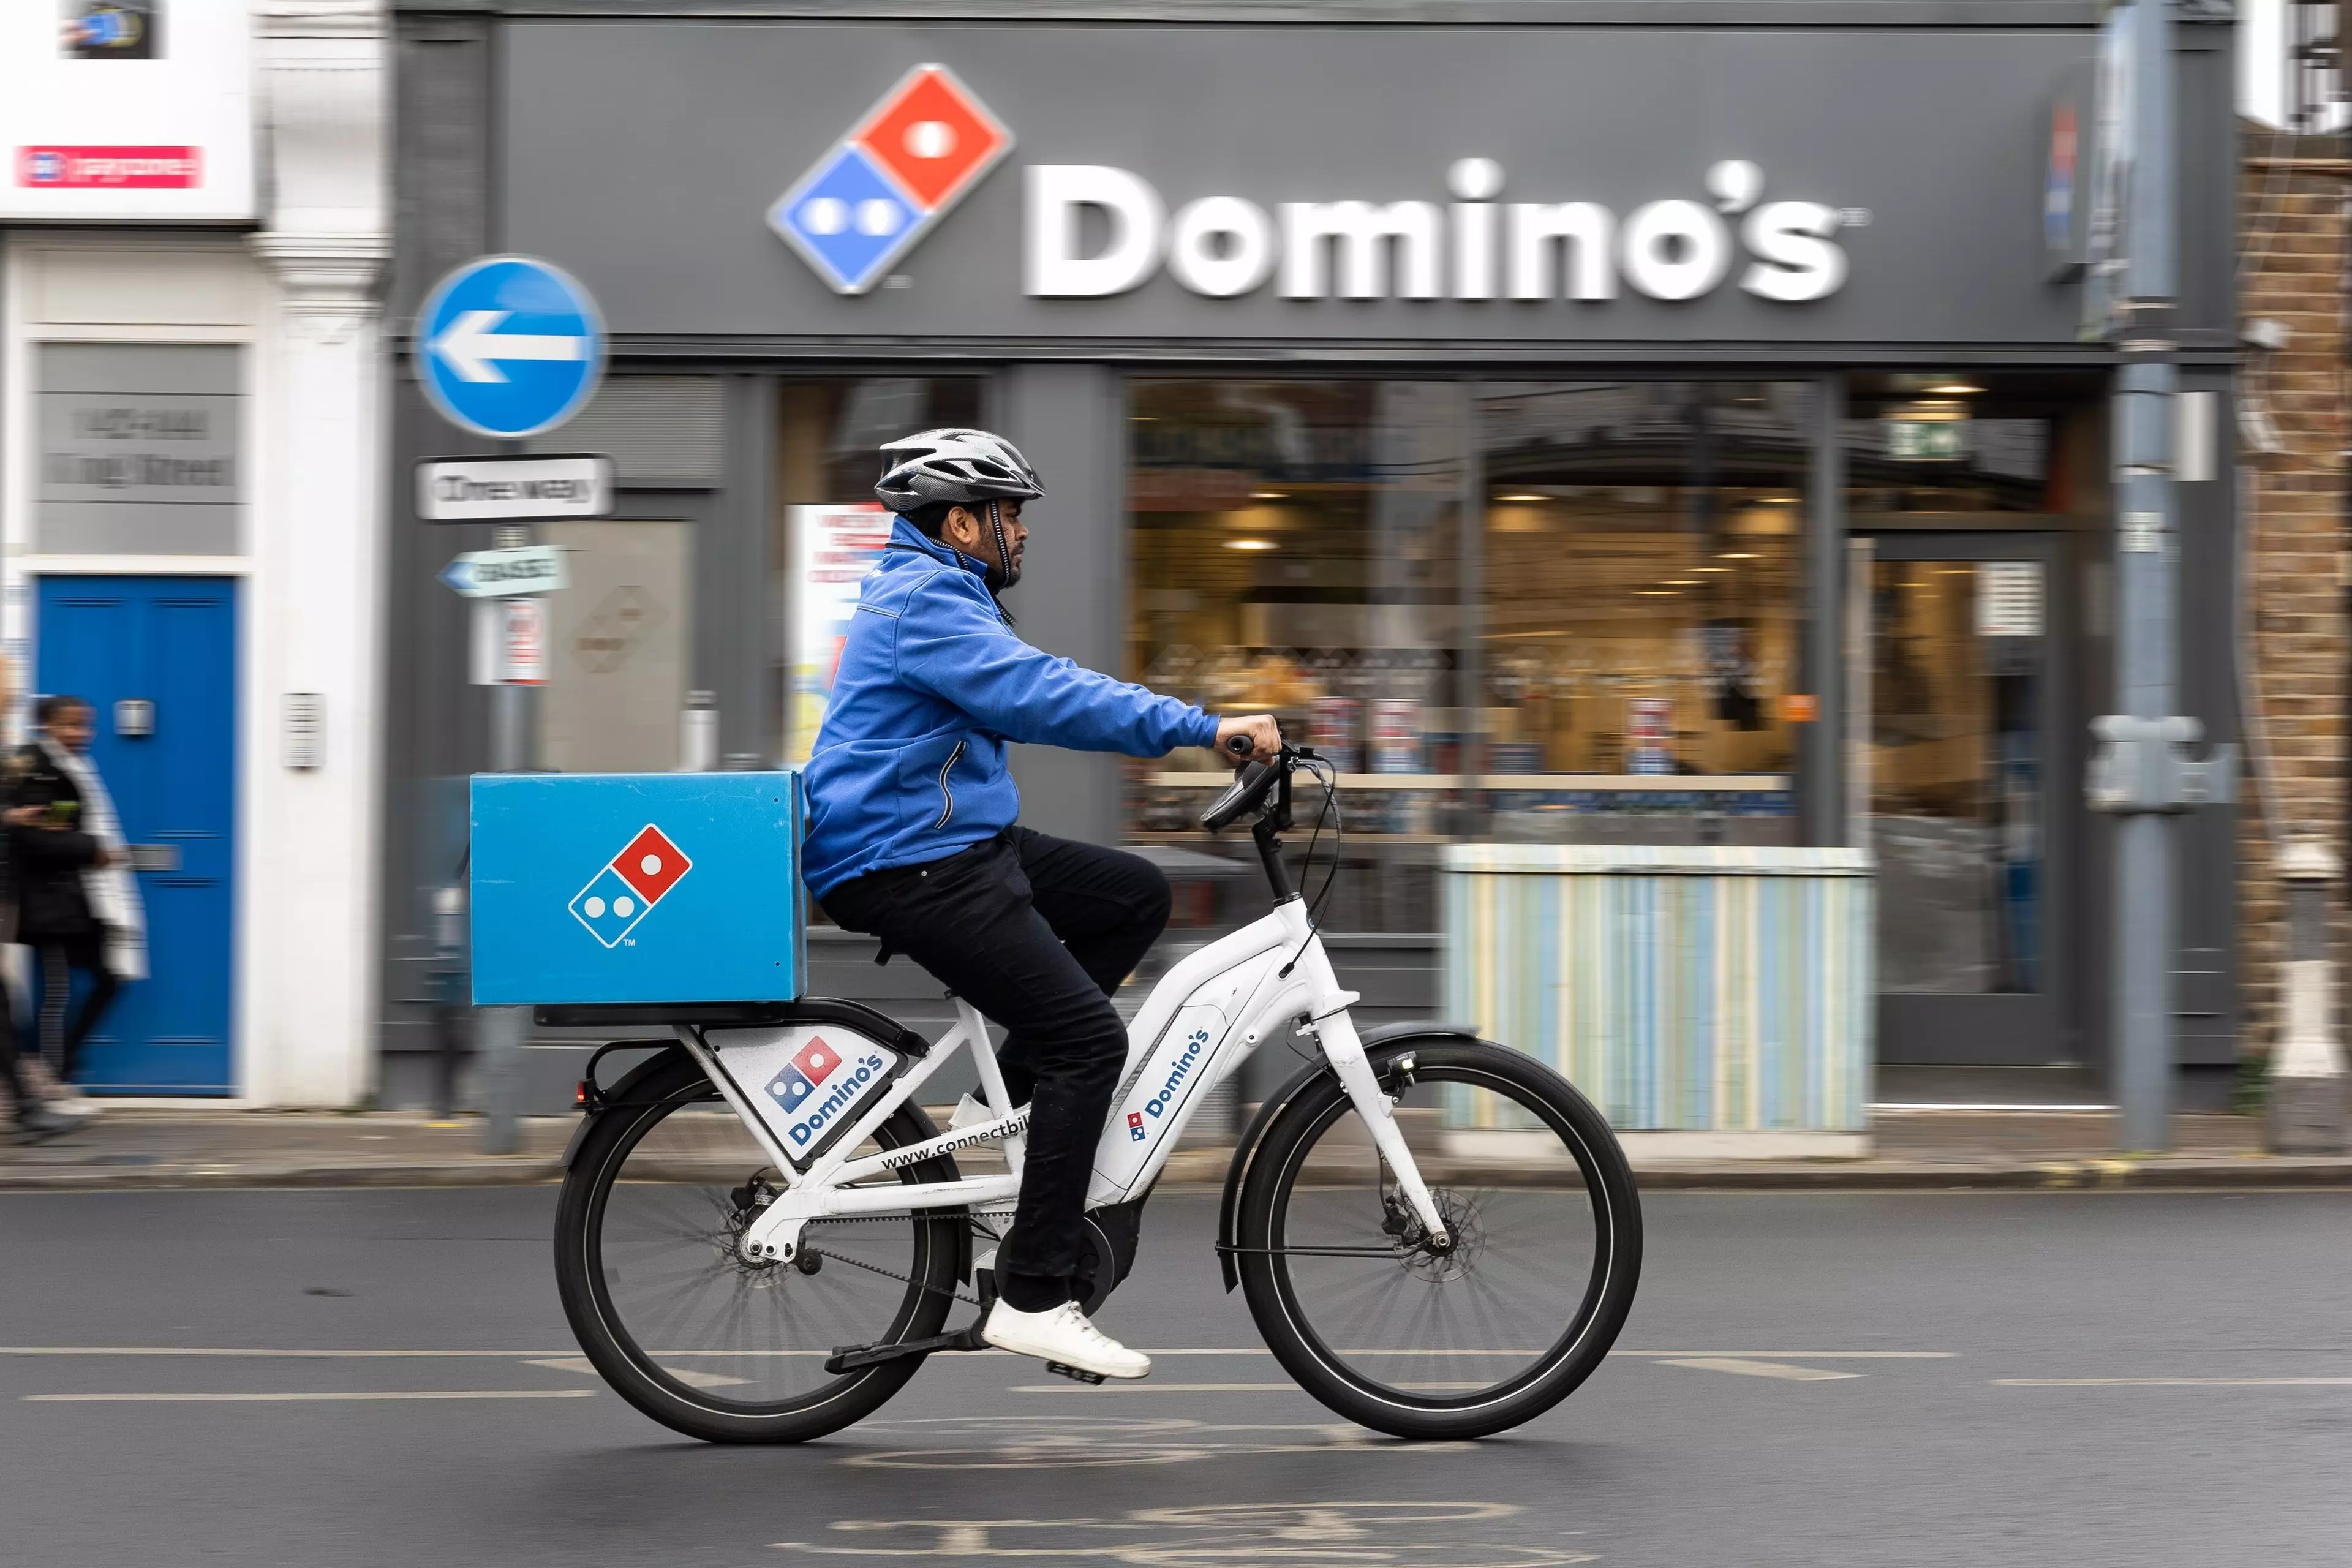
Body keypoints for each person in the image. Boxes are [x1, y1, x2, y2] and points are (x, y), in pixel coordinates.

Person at [802, 428, 1279, 1382]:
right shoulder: (924, 602)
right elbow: (1042, 696)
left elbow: (1031, 692)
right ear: (960, 521)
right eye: (1010, 515)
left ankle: (1001, 1115)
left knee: (1131, 895)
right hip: (905, 860)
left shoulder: (944, 592)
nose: (1022, 533)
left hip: (955, 841)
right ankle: (1033, 1296)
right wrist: (1203, 726)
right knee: (1088, 1042)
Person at [9, 695, 146, 1109]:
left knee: (111, 976)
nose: (80, 734)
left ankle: (56, 1068)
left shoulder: (76, 766)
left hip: (80, 896)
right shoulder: (36, 767)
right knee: (58, 990)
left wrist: (92, 852)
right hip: (49, 900)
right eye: (70, 725)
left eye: (85, 725)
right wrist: (94, 850)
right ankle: (49, 1082)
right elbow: (39, 838)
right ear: (47, 725)